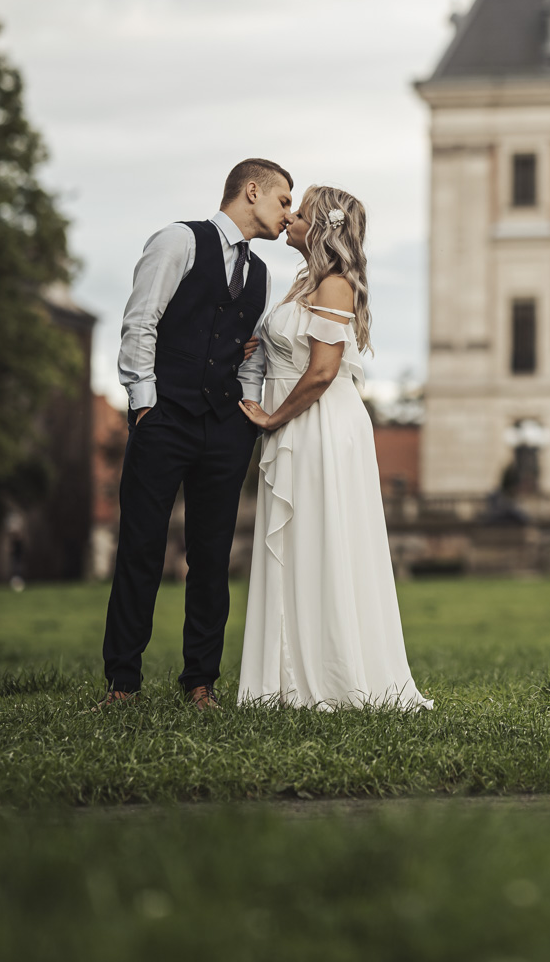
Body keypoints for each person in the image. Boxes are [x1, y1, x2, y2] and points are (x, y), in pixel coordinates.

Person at [96, 158, 293, 711]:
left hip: (225, 431)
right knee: (141, 549)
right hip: (164, 421)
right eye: (282, 201)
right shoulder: (178, 242)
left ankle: (200, 684)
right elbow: (141, 322)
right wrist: (144, 406)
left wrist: (246, 409)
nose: (288, 214)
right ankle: (122, 685)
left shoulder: (262, 276)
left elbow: (250, 354)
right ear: (251, 191)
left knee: (212, 558)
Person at [236, 185, 431, 710]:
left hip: (319, 424)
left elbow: (322, 373)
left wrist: (273, 417)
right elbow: (295, 348)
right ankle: (282, 677)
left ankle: (330, 675)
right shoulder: (306, 283)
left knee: (322, 538)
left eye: (300, 214)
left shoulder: (337, 285)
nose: (290, 219)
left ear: (321, 228)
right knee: (301, 541)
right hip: (302, 422)